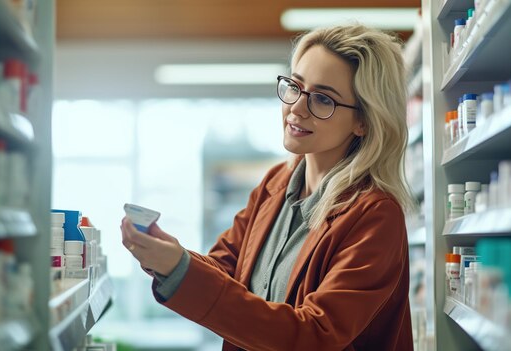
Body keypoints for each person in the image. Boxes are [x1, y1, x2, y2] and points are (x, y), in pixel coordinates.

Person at [121, 24, 414, 351]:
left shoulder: (375, 216)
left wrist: (178, 267)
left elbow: (315, 336)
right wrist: (168, 258)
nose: (297, 109)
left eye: (321, 99)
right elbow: (224, 269)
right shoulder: (276, 183)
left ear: (363, 121)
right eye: (295, 86)